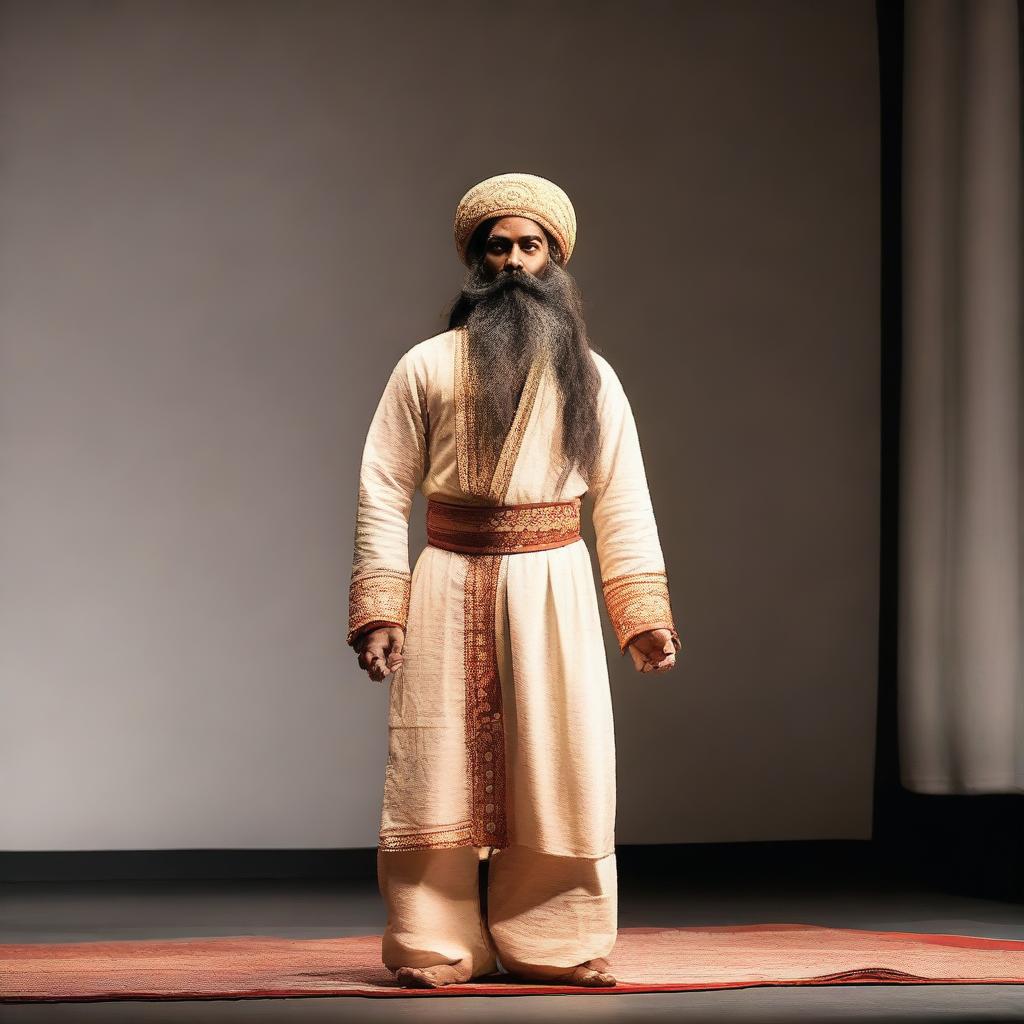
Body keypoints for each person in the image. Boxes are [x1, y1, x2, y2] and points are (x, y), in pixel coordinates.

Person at [346, 171, 680, 988]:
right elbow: (383, 485)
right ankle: (436, 943)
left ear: (555, 260)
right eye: (499, 247)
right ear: (477, 261)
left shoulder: (592, 379)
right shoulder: (424, 367)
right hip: (447, 580)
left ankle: (558, 943)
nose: (515, 263)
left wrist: (640, 613)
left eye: (531, 247)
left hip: (554, 589)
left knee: (561, 764)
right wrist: (380, 606)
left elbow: (624, 499)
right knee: (435, 767)